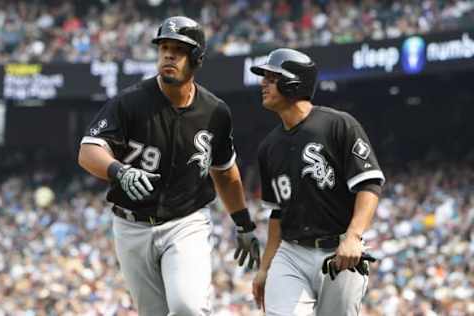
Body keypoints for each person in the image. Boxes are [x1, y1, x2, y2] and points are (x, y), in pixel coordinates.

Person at [78, 16, 260, 316]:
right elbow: (88, 151)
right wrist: (118, 170)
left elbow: (225, 173)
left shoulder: (215, 112)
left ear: (197, 59)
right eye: (163, 47)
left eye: (179, 49)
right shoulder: (130, 102)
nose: (168, 55)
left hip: (185, 222)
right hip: (130, 225)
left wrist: (243, 225)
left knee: (187, 307)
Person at [249, 48, 385, 316]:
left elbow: (369, 185)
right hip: (291, 252)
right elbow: (277, 213)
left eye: (271, 77)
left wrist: (353, 236)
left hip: (339, 250)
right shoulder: (268, 147)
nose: (263, 83)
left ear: (293, 83)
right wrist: (265, 268)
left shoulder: (338, 125)